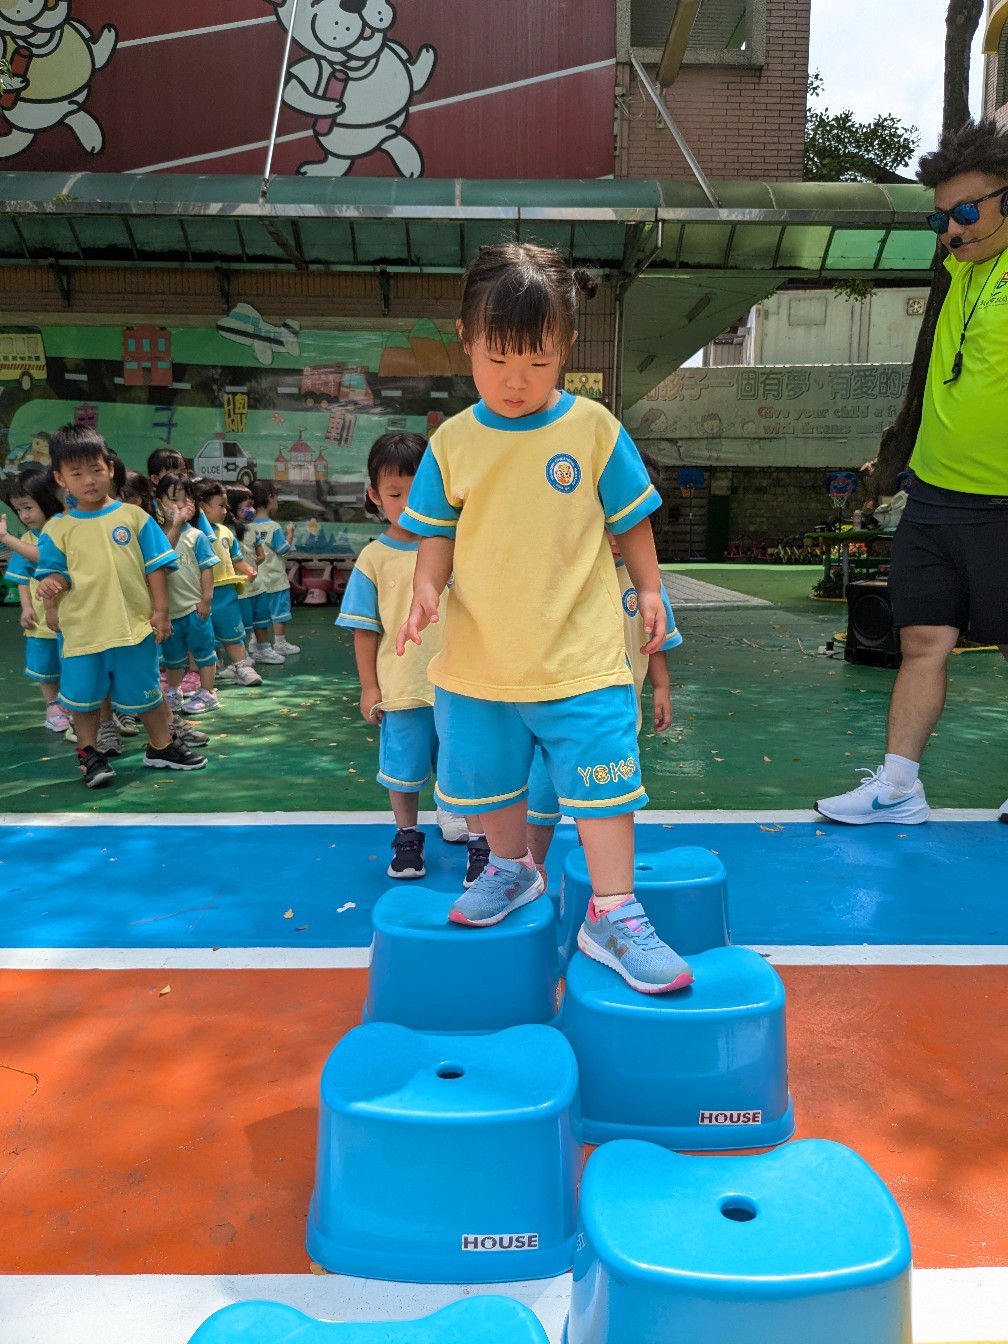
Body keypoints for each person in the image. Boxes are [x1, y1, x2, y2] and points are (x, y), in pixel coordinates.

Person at [395, 241, 693, 994]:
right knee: (492, 783)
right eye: (497, 359)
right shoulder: (453, 442)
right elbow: (436, 533)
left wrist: (651, 589)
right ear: (466, 340)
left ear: (565, 345)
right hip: (481, 660)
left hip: (579, 659)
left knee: (603, 787)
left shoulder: (593, 429)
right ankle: (511, 869)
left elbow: (631, 521)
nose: (516, 380)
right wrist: (426, 587)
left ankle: (613, 912)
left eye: (537, 361)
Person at [816, 119, 1008, 828]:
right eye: (941, 217)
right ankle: (898, 787)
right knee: (921, 640)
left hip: (1004, 500)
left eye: (968, 212)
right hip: (934, 495)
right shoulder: (963, 270)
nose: (952, 230)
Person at [34, 424, 206, 787]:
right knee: (83, 700)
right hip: (83, 633)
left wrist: (161, 611)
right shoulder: (57, 529)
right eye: (76, 473)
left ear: (110, 469)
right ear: (60, 479)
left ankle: (161, 746)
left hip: (133, 628)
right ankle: (89, 754)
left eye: (96, 469)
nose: (89, 480)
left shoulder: (135, 518)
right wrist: (53, 584)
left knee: (148, 692)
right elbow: (56, 573)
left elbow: (156, 566)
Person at [336, 432, 473, 878]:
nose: (409, 503)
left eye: (420, 490)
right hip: (403, 687)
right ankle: (408, 836)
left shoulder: (458, 546)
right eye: (395, 494)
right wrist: (369, 687)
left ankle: (481, 843)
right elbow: (364, 629)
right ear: (375, 496)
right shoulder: (373, 559)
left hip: (461, 684)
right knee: (403, 769)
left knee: (468, 766)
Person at [527, 512, 683, 881]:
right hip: (557, 710)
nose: (614, 538)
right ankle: (530, 869)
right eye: (605, 526)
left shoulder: (647, 584)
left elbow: (656, 640)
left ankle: (596, 874)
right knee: (540, 796)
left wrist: (661, 688)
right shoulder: (568, 573)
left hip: (613, 716)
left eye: (624, 528)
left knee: (602, 800)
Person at [1, 468, 70, 732]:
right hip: (41, 621)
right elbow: (22, 577)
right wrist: (27, 607)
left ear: (47, 500)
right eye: (19, 510)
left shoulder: (64, 529)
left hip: (70, 617)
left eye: (28, 507)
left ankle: (73, 704)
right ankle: (53, 706)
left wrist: (6, 538)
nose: (24, 515)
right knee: (45, 665)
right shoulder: (26, 540)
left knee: (72, 662)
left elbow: (45, 558)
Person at [153, 473, 221, 715]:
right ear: (159, 502)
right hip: (169, 612)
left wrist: (206, 599)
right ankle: (173, 690)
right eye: (173, 500)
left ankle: (208, 692)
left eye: (186, 499)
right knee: (172, 656)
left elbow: (206, 569)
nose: (180, 506)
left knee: (203, 652)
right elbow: (159, 562)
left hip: (194, 608)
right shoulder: (155, 536)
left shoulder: (197, 536)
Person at [195, 478, 262, 688]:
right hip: (198, 593)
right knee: (202, 635)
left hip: (225, 593)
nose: (225, 511)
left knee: (233, 634)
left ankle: (242, 666)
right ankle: (205, 670)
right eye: (221, 505)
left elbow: (236, 558)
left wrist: (248, 569)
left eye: (226, 506)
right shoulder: (193, 534)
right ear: (202, 506)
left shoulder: (226, 532)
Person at [247, 479, 299, 662]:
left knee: (258, 614)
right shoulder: (274, 527)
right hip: (275, 580)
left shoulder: (248, 527)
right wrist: (290, 534)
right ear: (270, 499)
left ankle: (254, 642)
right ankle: (280, 643)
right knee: (279, 613)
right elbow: (283, 549)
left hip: (256, 582)